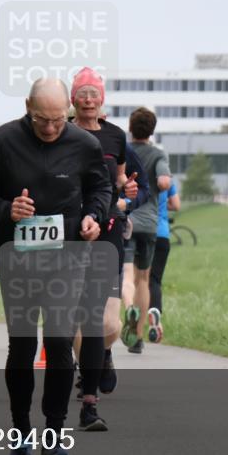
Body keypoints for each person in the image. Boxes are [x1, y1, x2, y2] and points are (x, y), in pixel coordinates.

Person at [0, 79, 111, 455]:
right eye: (41, 120)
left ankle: (54, 435)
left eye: (57, 120)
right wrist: (5, 210)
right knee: (22, 346)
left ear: (67, 109)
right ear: (27, 106)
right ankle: (19, 436)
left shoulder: (85, 144)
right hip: (19, 259)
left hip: (67, 259)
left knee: (61, 344)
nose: (50, 129)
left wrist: (93, 217)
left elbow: (101, 190)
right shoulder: (2, 143)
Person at [68, 68, 143, 426]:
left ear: (102, 99)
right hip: (67, 230)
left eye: (93, 93)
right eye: (81, 93)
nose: (87, 99)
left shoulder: (115, 136)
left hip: (108, 228)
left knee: (108, 322)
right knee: (79, 317)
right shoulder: (59, 131)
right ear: (71, 99)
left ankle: (103, 356)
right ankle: (88, 386)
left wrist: (128, 193)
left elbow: (125, 180)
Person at [124, 107, 172, 354]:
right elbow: (164, 182)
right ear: (152, 130)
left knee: (127, 276)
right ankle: (139, 334)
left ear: (131, 128)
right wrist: (163, 183)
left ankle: (128, 310)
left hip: (127, 220)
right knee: (144, 279)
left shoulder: (125, 152)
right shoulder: (158, 154)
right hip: (151, 224)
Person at [148, 182, 180, 341]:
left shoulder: (140, 175)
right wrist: (162, 204)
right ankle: (155, 318)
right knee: (154, 280)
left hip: (143, 231)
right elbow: (176, 205)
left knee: (137, 279)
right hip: (162, 234)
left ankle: (134, 319)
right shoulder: (167, 181)